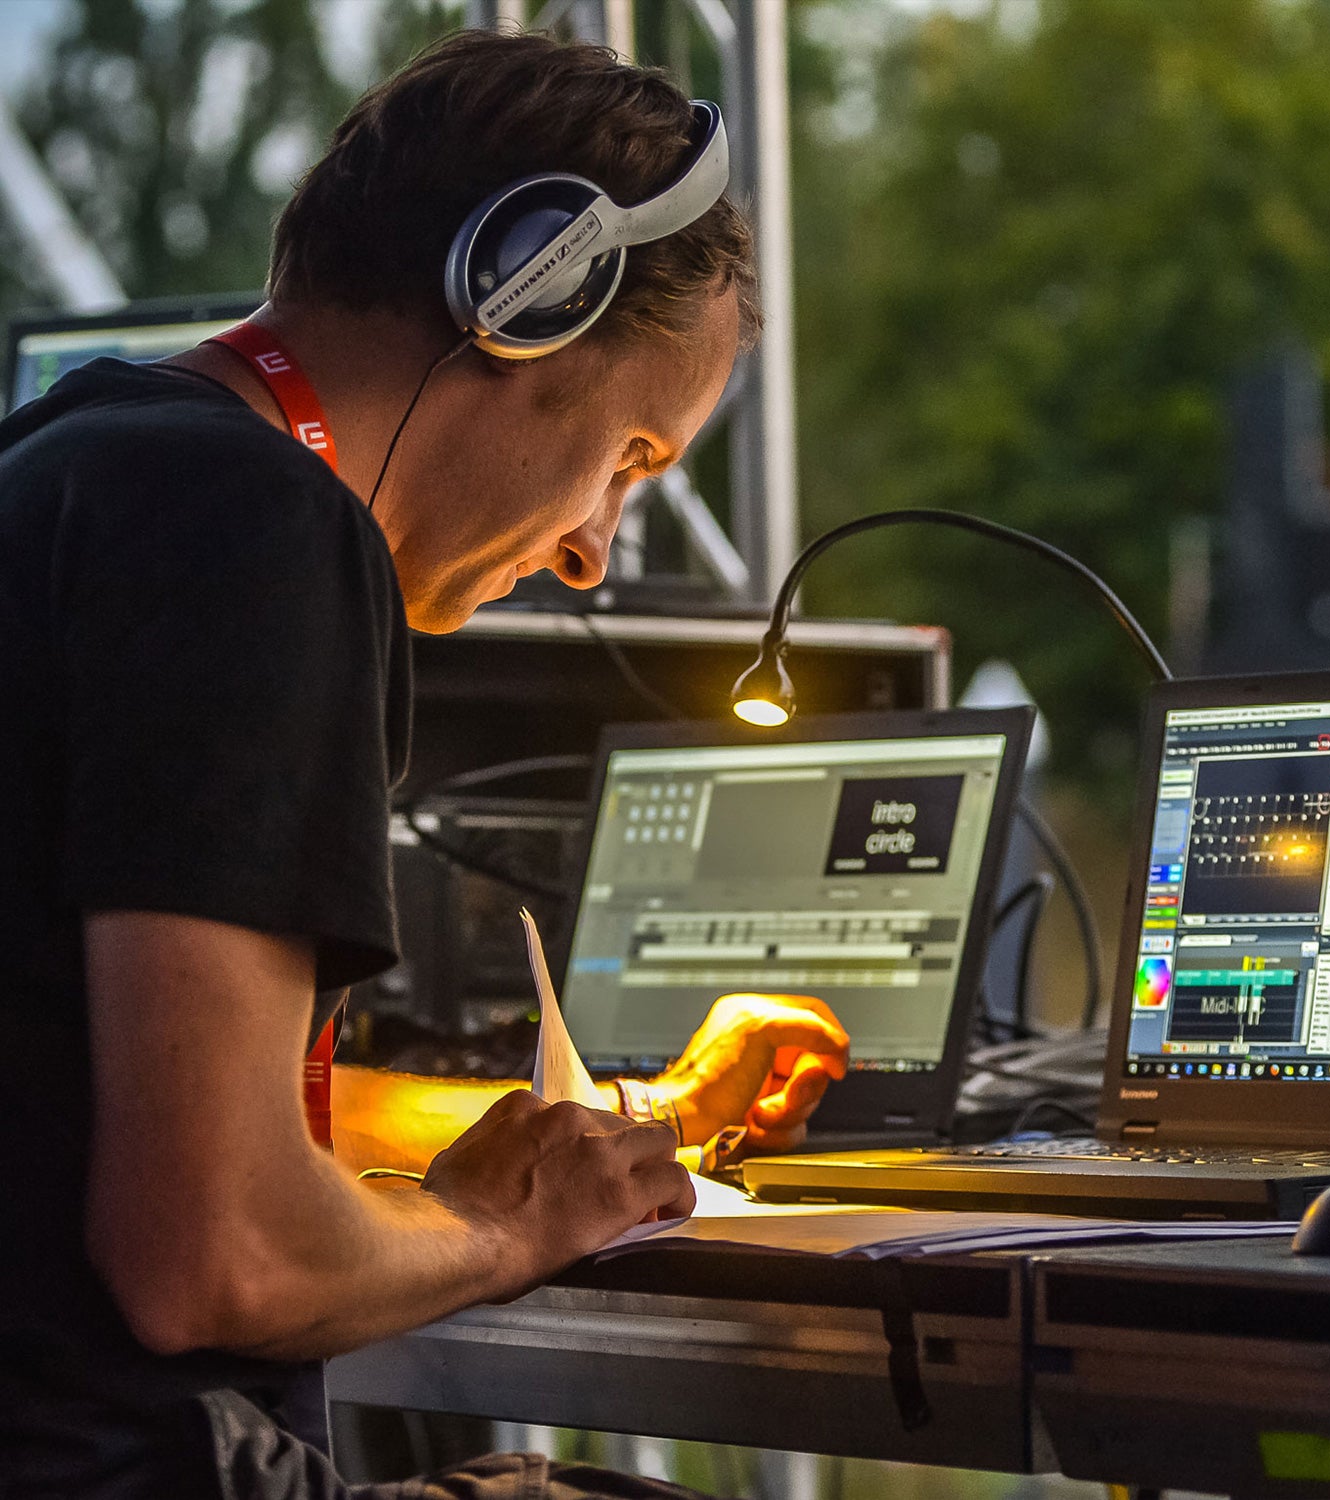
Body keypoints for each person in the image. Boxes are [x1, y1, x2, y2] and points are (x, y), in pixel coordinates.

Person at [0, 29, 849, 1499]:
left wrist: (618, 1136)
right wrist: (505, 1234)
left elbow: (141, 1096)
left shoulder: (75, 465)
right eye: (635, 455)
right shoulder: (260, 532)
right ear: (529, 296)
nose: (593, 550)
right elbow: (217, 1256)